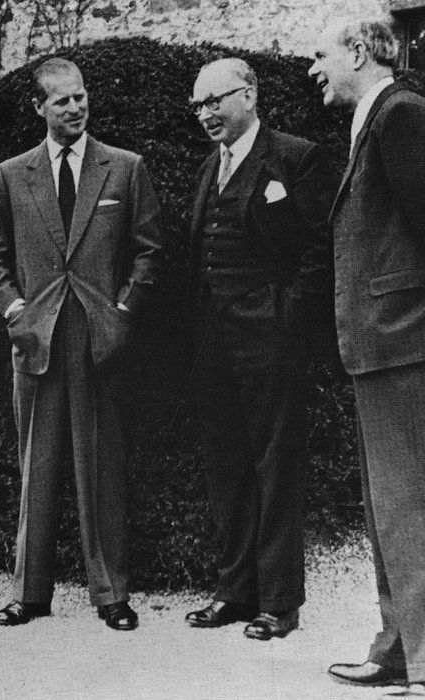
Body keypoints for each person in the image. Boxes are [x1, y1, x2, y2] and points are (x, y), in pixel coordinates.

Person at [0, 57, 164, 630]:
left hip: (99, 339)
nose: (75, 107)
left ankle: (111, 594)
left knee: (100, 464)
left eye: (80, 97)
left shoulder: (125, 168)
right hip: (36, 340)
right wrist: (16, 311)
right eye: (61, 100)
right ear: (39, 108)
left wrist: (123, 312)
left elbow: (149, 251)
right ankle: (30, 593)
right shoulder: (12, 174)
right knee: (37, 465)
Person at [182, 58, 333, 641]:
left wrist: (286, 318)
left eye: (214, 101)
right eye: (198, 106)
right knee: (227, 466)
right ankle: (235, 591)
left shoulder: (295, 158)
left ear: (247, 96)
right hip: (215, 347)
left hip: (271, 342)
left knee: (276, 466)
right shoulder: (207, 168)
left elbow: (319, 250)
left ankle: (279, 602)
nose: (205, 115)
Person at [309, 18, 425, 697]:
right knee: (389, 511)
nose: (312, 69)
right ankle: (396, 648)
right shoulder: (376, 119)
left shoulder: (403, 114)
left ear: (358, 51)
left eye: (320, 55)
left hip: (405, 342)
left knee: (411, 508)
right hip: (378, 345)